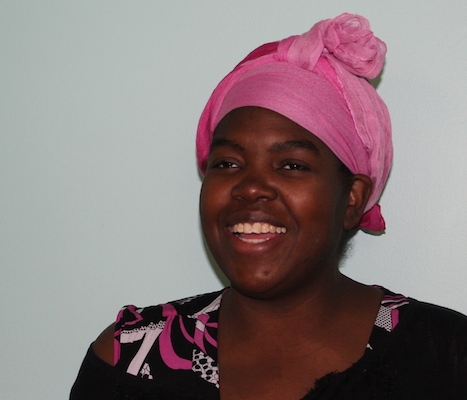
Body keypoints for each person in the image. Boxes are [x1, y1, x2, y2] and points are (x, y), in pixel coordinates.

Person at [70, 13, 467, 399]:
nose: (251, 187)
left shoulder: (444, 357)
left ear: (352, 198)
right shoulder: (130, 360)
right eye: (227, 163)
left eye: (291, 165)